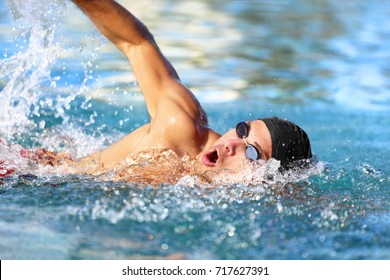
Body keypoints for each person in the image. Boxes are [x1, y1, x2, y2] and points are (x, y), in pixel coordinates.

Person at [2, 0, 312, 184]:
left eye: (253, 152)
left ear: (268, 179)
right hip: (26, 173)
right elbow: (137, 44)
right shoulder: (181, 128)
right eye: (243, 130)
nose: (232, 144)